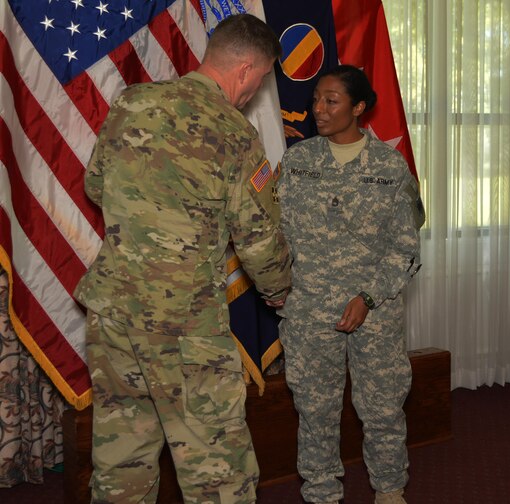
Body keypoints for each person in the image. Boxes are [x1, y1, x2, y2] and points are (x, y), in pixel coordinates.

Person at [73, 14, 291, 504]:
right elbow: (257, 240)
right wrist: (279, 291)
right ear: (245, 70)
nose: (256, 92)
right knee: (217, 469)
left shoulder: (133, 102)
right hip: (184, 325)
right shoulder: (234, 134)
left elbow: (94, 183)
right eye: (259, 81)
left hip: (113, 313)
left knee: (121, 459)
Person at [277, 64, 424, 504]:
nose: (318, 109)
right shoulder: (298, 161)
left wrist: (368, 296)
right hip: (308, 312)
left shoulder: (388, 166)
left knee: (381, 407)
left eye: (331, 101)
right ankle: (321, 493)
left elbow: (405, 249)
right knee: (316, 411)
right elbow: (275, 233)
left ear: (358, 108)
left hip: (373, 313)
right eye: (316, 99)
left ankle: (389, 488)